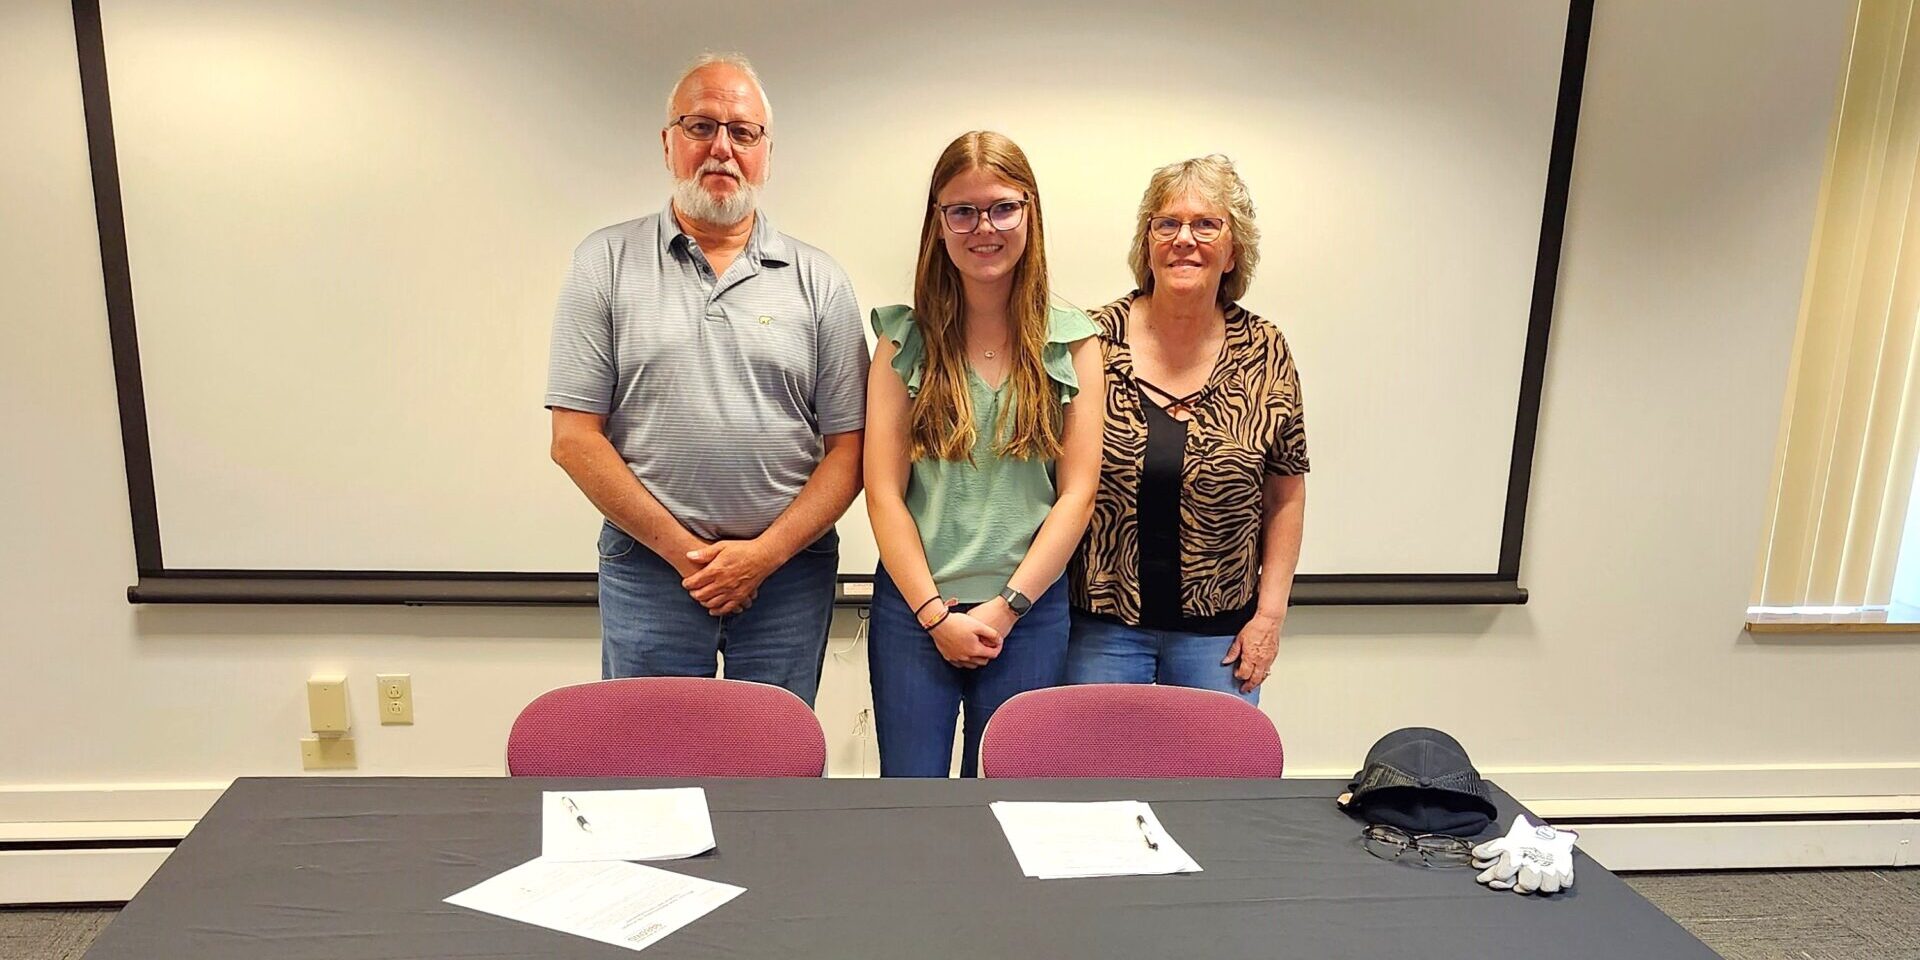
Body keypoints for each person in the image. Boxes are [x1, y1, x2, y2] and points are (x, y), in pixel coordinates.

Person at [545, 54, 868, 706]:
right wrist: (690, 556)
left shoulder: (821, 281)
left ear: (766, 154)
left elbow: (852, 448)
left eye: (742, 132)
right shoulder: (604, 263)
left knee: (774, 755)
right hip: (650, 569)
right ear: (669, 143)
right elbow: (574, 439)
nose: (722, 147)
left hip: (787, 575)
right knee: (651, 752)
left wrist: (762, 556)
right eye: (701, 127)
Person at [863, 131, 1103, 776]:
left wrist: (1008, 606)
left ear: (1030, 212)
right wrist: (933, 613)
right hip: (914, 611)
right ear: (938, 222)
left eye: (1002, 208)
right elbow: (882, 493)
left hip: (1028, 612)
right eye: (962, 211)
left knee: (1007, 803)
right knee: (910, 801)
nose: (984, 228)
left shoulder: (1072, 342)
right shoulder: (902, 341)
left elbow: (1077, 493)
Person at [1068, 155, 1308, 703]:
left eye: (1206, 224)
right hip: (1099, 630)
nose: (1184, 239)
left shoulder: (1266, 350)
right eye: (1167, 224)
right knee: (1093, 760)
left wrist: (1270, 616)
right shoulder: (1091, 341)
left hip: (1220, 636)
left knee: (1216, 763)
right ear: (1147, 243)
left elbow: (1285, 494)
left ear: (1233, 251)